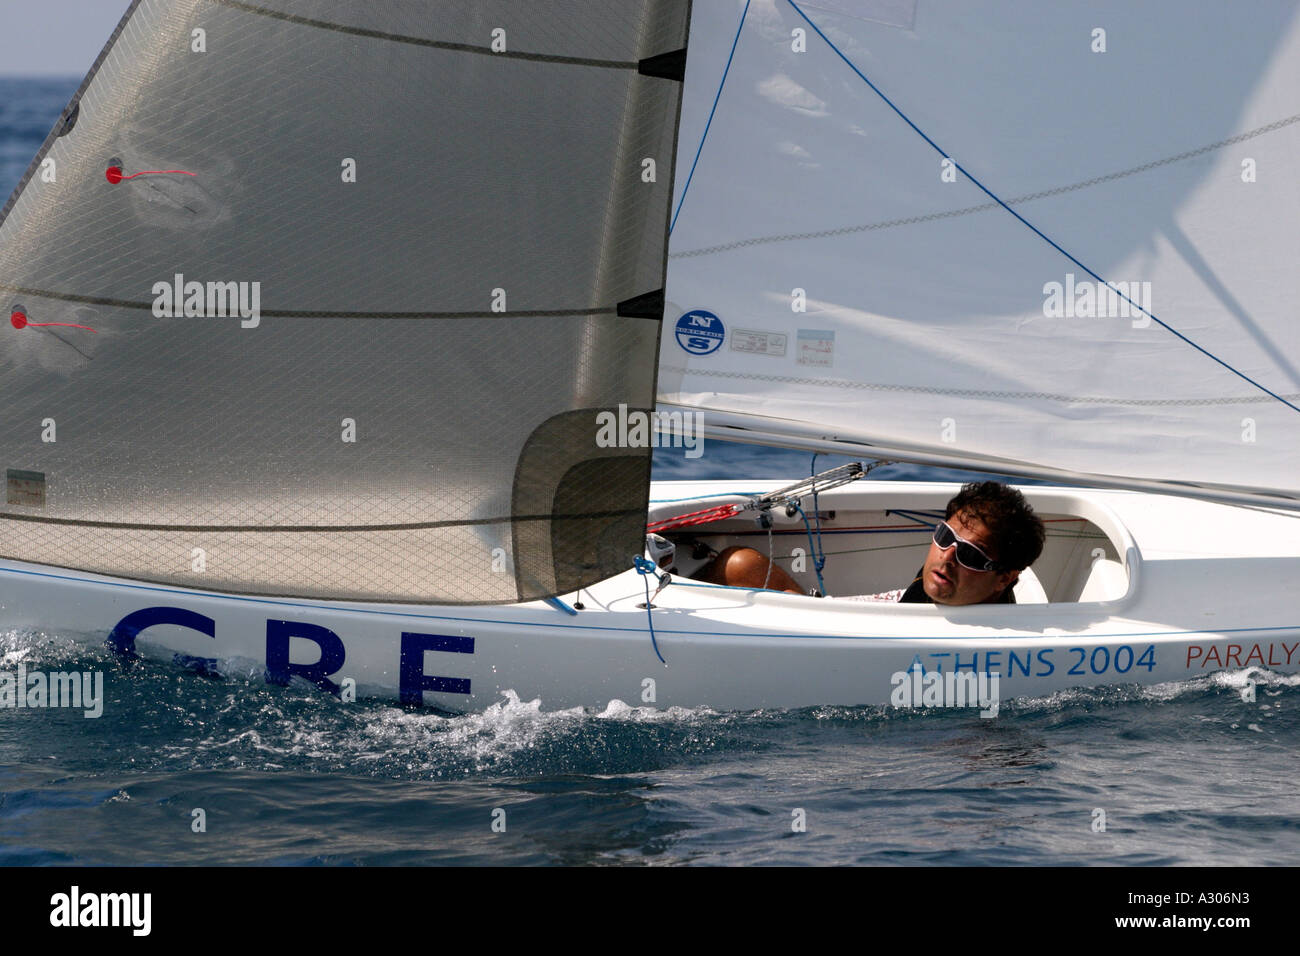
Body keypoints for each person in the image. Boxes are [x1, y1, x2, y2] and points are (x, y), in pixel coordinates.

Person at [696, 481, 1045, 606]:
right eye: (943, 536)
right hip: (862, 618)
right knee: (741, 565)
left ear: (1003, 577)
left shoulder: (989, 646)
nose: (946, 557)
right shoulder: (948, 580)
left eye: (969, 553)